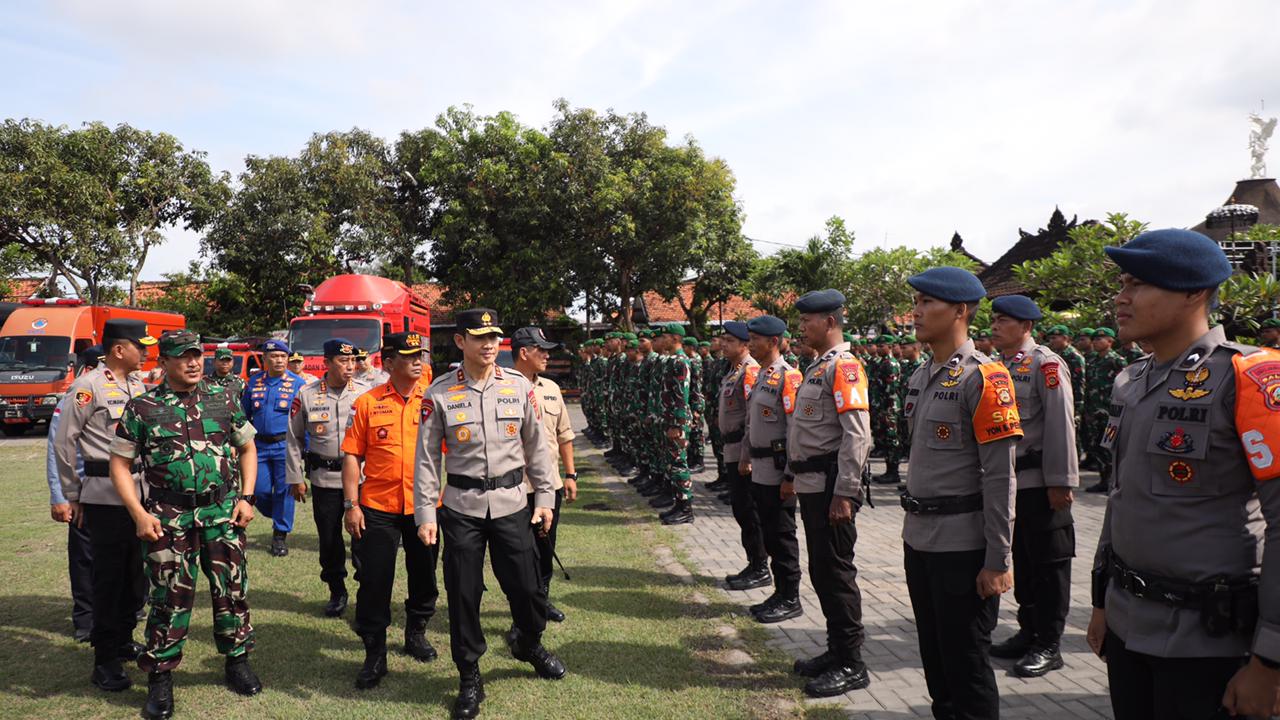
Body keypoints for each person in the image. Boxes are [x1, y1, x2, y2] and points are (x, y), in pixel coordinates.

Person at [1085, 228, 1280, 720]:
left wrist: (1270, 660)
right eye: (1122, 283)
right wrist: (1103, 600)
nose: (1121, 297)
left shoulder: (1249, 377)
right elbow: (1121, 497)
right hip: (1129, 625)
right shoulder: (1133, 380)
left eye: (1137, 284)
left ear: (1194, 292)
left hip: (1208, 643)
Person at [414, 309, 565, 719]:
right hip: (461, 508)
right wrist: (425, 512)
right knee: (463, 593)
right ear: (460, 341)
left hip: (514, 503)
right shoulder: (440, 392)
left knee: (528, 587)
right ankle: (469, 674)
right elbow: (427, 459)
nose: (489, 344)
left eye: (494, 336)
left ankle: (528, 642)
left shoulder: (517, 386)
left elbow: (537, 447)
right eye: (479, 337)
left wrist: (546, 500)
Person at [110, 329, 262, 719]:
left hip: (221, 514)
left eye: (197, 355)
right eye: (183, 356)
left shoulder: (224, 398)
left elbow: (247, 447)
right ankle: (160, 678)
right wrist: (139, 514)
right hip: (167, 519)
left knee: (231, 590)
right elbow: (120, 464)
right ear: (163, 362)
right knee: (167, 598)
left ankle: (237, 661)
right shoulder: (142, 408)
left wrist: (246, 497)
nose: (194, 362)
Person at [902, 268, 1020, 720]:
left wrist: (998, 560)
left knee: (967, 665)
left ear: (960, 310)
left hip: (963, 547)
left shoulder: (987, 378)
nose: (916, 311)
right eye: (916, 301)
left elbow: (999, 477)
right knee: (936, 662)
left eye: (926, 303)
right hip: (920, 539)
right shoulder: (922, 375)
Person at [53, 319, 153, 691]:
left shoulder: (138, 385)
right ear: (118, 349)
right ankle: (105, 658)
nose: (145, 353)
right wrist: (71, 493)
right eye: (139, 346)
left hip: (141, 493)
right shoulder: (86, 387)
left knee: (135, 575)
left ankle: (124, 639)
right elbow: (65, 443)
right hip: (104, 496)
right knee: (108, 578)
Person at [784, 290, 873, 697]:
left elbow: (857, 435)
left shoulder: (845, 367)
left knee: (837, 575)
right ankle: (836, 650)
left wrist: (846, 492)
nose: (802, 327)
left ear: (830, 322)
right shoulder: (817, 367)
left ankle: (852, 663)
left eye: (808, 320)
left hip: (831, 490)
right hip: (813, 487)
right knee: (822, 572)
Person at [340, 331, 440, 689]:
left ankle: (416, 632)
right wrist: (351, 505)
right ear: (389, 362)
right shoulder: (366, 403)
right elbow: (352, 454)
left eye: (421, 355)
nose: (418, 360)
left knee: (425, 574)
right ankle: (375, 651)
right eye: (409, 355)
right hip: (377, 505)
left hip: (425, 505)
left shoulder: (433, 401)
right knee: (374, 580)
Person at [987, 296, 1079, 678]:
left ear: (1026, 326)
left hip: (1040, 482)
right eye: (993, 320)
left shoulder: (1046, 364)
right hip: (1008, 484)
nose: (994, 326)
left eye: (1003, 321)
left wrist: (1061, 481)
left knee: (1048, 565)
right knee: (1022, 561)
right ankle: (1028, 631)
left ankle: (1049, 643)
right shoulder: (997, 366)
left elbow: (1061, 424)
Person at [286, 338, 371, 618]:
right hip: (324, 480)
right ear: (327, 362)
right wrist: (296, 477)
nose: (349, 367)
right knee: (329, 540)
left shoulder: (366, 392)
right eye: (342, 361)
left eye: (352, 361)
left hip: (361, 479)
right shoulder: (307, 394)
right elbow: (294, 438)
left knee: (362, 538)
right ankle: (337, 590)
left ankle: (365, 591)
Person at [739, 315, 804, 625]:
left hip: (779, 471)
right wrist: (745, 456)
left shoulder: (789, 377)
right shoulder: (764, 376)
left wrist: (791, 475)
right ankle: (780, 592)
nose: (750, 343)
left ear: (773, 342)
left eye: (755, 338)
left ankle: (791, 596)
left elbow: (795, 429)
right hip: (760, 468)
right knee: (769, 532)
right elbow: (753, 424)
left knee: (782, 535)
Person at [512, 327, 577, 623]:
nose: (547, 355)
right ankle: (522, 609)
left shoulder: (551, 389)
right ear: (524, 353)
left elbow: (565, 434)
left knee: (545, 545)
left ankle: (542, 600)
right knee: (519, 555)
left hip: (548, 486)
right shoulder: (505, 388)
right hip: (515, 489)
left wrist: (571, 474)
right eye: (541, 350)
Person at [243, 339, 305, 556]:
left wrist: (304, 448)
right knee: (258, 490)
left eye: (283, 357)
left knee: (284, 491)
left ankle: (280, 535)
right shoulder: (254, 382)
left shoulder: (298, 384)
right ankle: (277, 513)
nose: (279, 360)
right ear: (265, 359)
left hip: (285, 445)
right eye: (274, 356)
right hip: (258, 445)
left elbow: (305, 419)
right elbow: (245, 414)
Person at [718, 321, 768, 586]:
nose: (723, 344)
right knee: (740, 508)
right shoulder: (734, 371)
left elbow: (752, 417)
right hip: (731, 448)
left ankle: (760, 567)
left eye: (729, 340)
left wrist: (747, 456)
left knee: (748, 509)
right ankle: (753, 563)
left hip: (742, 450)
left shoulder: (749, 371)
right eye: (722, 339)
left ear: (743, 344)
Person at [1083, 327, 1128, 493]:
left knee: (1112, 448)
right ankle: (1103, 480)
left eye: (1099, 339)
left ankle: (1114, 482)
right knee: (1097, 447)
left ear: (1110, 341)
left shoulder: (1117, 360)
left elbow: (1125, 387)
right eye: (1094, 339)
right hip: (1093, 412)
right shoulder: (1093, 361)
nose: (1095, 342)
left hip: (1111, 413)